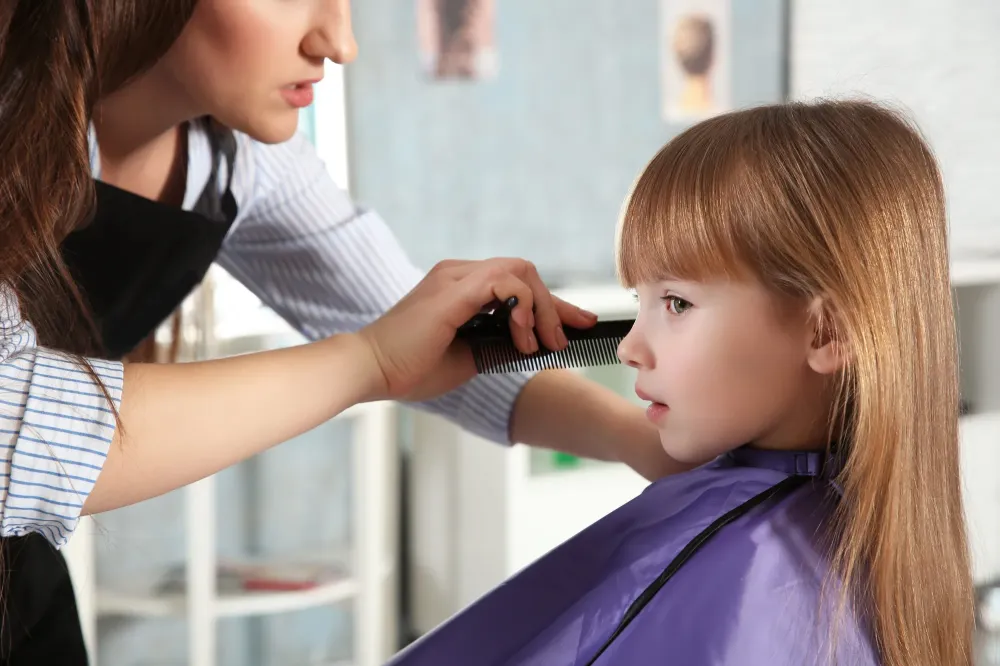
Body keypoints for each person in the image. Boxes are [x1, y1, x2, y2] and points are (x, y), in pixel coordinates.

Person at [0, 1, 681, 663]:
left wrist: (639, 438)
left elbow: (428, 344)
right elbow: (18, 426)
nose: (339, 42)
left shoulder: (240, 161)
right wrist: (370, 361)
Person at [386, 101, 975, 665]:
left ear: (825, 332)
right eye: (638, 302)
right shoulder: (863, 547)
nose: (627, 347)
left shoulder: (757, 577)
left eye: (676, 302)